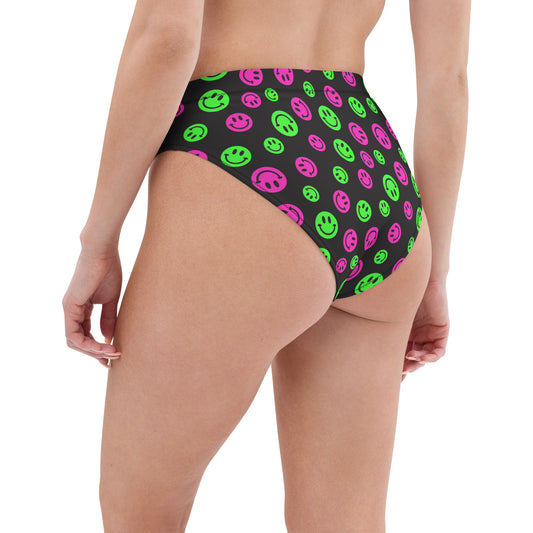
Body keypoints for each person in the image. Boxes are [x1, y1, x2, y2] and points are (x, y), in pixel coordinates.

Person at [61, 0, 470, 530]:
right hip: (372, 171)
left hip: (245, 143)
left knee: (138, 514)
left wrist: (98, 241)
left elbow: (166, 39)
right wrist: (434, 275)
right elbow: (448, 84)